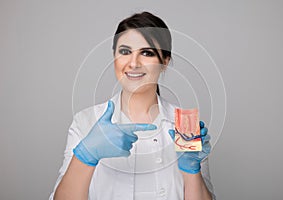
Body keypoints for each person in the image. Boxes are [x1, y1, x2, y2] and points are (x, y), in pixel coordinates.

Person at [50, 11, 215, 200]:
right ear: (114, 57)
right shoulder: (85, 122)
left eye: (147, 53)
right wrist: (85, 157)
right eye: (125, 51)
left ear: (165, 62)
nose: (134, 63)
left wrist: (192, 172)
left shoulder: (185, 127)